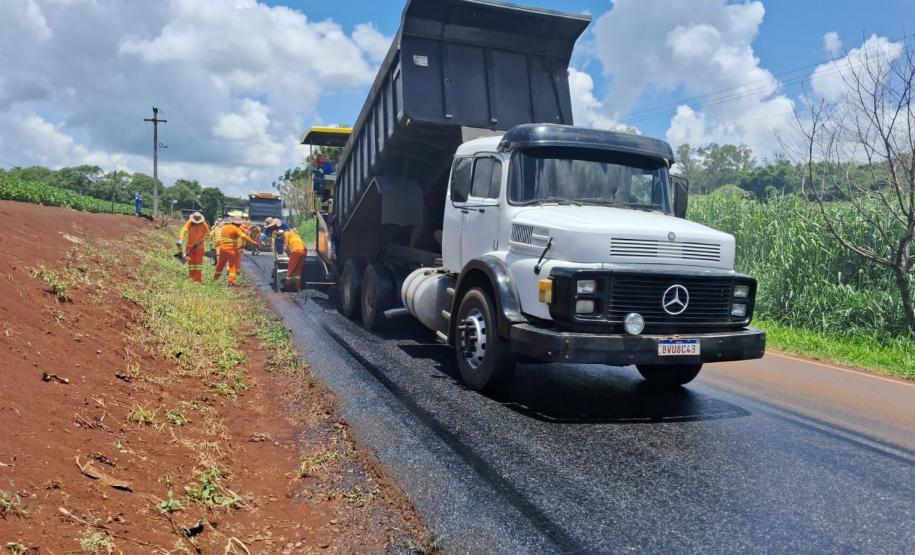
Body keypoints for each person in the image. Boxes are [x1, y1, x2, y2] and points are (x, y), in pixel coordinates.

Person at [213, 217, 256, 286]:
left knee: (220, 265)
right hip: (232, 250)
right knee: (232, 265)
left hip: (223, 249)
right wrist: (253, 242)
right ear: (238, 224)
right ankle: (231, 281)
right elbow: (244, 237)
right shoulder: (236, 229)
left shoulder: (224, 228)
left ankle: (215, 278)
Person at [177, 212, 210, 283]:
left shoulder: (204, 224)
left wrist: (200, 241)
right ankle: (191, 276)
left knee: (198, 264)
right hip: (189, 246)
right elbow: (184, 230)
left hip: (200, 247)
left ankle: (198, 279)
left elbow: (207, 235)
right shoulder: (189, 223)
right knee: (191, 263)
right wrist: (180, 239)